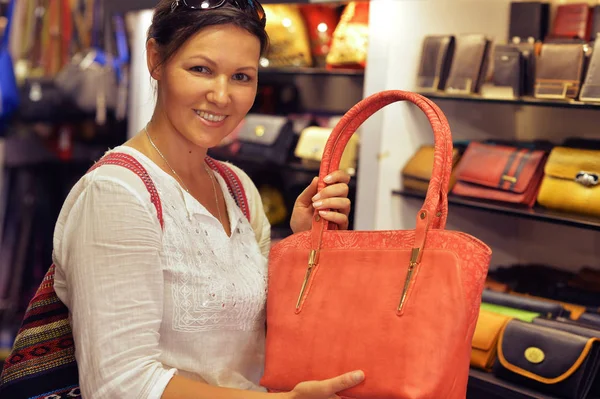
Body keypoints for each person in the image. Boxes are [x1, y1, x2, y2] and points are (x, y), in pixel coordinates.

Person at [51, 0, 364, 398]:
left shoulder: (238, 189)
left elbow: (257, 333)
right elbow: (120, 383)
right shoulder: (117, 194)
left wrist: (305, 247)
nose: (221, 95)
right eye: (201, 69)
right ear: (155, 59)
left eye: (241, 76)